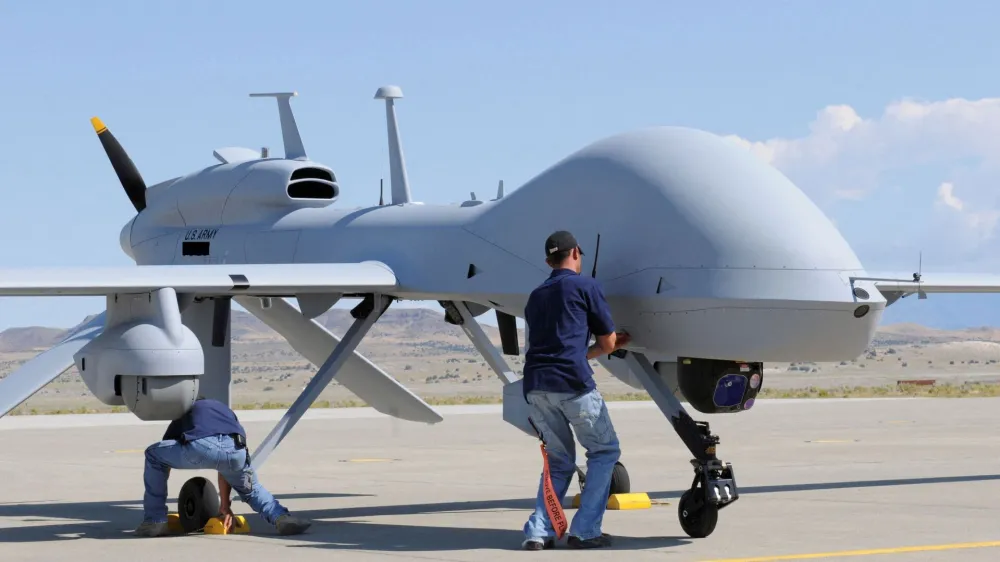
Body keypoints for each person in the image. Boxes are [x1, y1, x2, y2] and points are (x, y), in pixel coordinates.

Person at [520, 230, 630, 550]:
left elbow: (553, 347)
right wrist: (608, 345)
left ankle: (538, 531)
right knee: (604, 451)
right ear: (577, 254)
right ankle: (584, 530)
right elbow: (607, 343)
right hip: (573, 385)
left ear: (548, 261)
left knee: (558, 461)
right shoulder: (586, 286)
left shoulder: (536, 295)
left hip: (536, 387)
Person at [134, 397, 312, 537]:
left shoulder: (186, 409)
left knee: (154, 456)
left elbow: (169, 445)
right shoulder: (223, 410)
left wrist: (164, 471)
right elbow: (223, 465)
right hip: (236, 451)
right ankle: (282, 518)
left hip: (202, 445)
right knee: (252, 489)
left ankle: (155, 521)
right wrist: (224, 507)